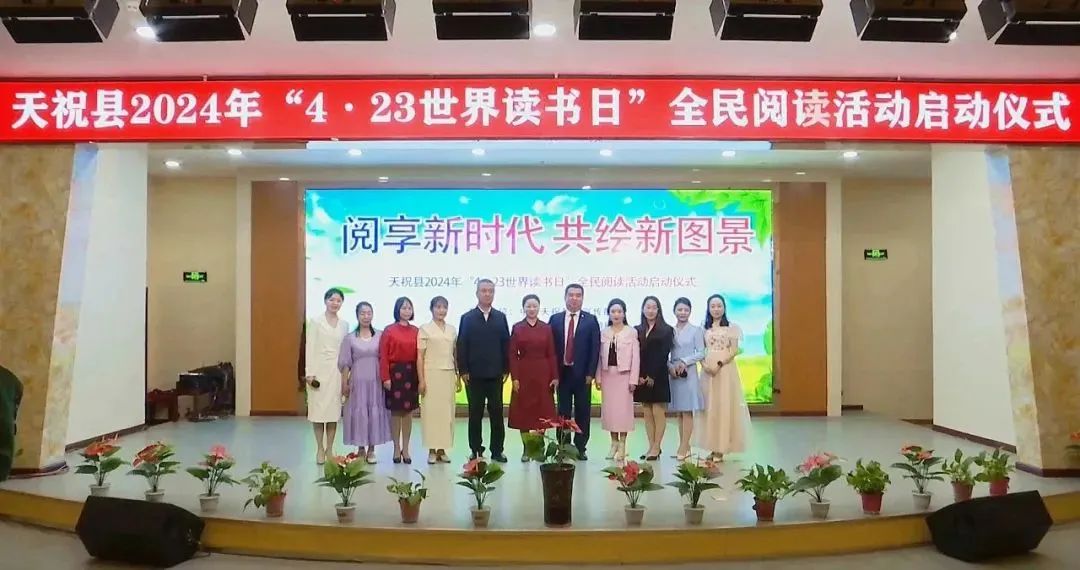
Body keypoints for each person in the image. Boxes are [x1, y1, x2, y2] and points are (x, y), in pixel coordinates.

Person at [455, 279, 511, 463]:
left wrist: (506, 368)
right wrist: (463, 370)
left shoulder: (500, 317)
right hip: (474, 375)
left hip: (495, 374)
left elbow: (506, 344)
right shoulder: (467, 317)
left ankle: (497, 450)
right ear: (477, 293)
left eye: (490, 291)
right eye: (484, 291)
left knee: (497, 413)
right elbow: (462, 344)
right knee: (475, 414)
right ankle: (476, 450)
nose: (487, 294)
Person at [550, 283, 601, 460]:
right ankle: (563, 446)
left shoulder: (591, 320)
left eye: (578, 295)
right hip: (562, 373)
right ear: (565, 297)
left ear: (582, 298)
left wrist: (591, 373)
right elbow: (550, 349)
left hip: (582, 375)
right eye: (571, 295)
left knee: (582, 412)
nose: (574, 298)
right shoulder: (555, 319)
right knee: (562, 412)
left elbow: (595, 348)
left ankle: (580, 447)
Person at [697, 294, 751, 461]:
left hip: (725, 370)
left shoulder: (732, 328)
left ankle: (721, 448)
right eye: (713, 306)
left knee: (724, 406)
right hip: (708, 372)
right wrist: (705, 366)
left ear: (724, 308)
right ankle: (713, 447)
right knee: (710, 407)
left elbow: (734, 350)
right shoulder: (703, 328)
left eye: (719, 306)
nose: (716, 309)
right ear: (708, 308)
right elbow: (699, 350)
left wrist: (719, 364)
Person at [338, 301, 390, 464]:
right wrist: (344, 383)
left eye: (369, 313)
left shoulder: (380, 336)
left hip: (375, 381)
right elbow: (345, 363)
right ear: (357, 316)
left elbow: (385, 359)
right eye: (363, 313)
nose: (366, 316)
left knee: (374, 413)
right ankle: (360, 448)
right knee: (359, 413)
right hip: (357, 382)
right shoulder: (350, 338)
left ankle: (372, 449)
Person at [508, 294, 559, 462]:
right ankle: (526, 448)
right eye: (528, 306)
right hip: (524, 372)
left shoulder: (546, 328)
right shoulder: (517, 327)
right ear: (523, 308)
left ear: (539, 308)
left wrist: (554, 376)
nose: (531, 309)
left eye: (534, 306)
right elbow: (512, 354)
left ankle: (539, 447)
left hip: (543, 373)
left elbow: (551, 353)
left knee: (541, 411)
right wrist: (515, 377)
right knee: (523, 412)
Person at [304, 288, 350, 465]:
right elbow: (310, 347)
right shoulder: (316, 322)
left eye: (338, 300)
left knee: (332, 413)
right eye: (332, 300)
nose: (335, 303)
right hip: (318, 372)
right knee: (318, 413)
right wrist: (309, 373)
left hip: (336, 372)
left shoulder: (344, 324)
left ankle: (329, 448)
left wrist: (346, 374)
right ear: (325, 301)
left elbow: (345, 351)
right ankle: (319, 449)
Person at [596, 299, 639, 463]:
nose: (616, 314)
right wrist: (598, 377)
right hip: (608, 376)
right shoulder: (604, 332)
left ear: (624, 314)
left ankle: (622, 444)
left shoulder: (631, 332)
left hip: (624, 376)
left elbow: (636, 358)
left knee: (623, 412)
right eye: (613, 311)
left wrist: (633, 379)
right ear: (608, 314)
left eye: (619, 311)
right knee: (610, 412)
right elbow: (599, 358)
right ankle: (613, 442)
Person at [418, 296, 458, 464]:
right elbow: (420, 356)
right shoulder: (425, 329)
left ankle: (442, 449)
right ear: (432, 309)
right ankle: (431, 450)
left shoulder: (452, 329)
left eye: (444, 307)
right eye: (438, 307)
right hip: (431, 374)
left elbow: (454, 354)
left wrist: (458, 376)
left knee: (446, 413)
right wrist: (421, 380)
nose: (441, 310)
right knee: (431, 413)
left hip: (448, 374)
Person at [380, 297, 420, 464]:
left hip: (411, 373)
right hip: (394, 373)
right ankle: (396, 447)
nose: (406, 311)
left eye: (409, 308)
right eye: (403, 308)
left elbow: (420, 356)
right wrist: (385, 377)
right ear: (397, 310)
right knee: (396, 413)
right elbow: (383, 356)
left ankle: (406, 449)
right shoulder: (389, 330)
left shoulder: (416, 331)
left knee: (408, 413)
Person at [634, 295, 674, 461]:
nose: (650, 311)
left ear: (658, 310)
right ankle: (651, 446)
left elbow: (663, 354)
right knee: (647, 412)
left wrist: (652, 375)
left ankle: (657, 446)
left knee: (658, 412)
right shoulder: (637, 330)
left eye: (653, 307)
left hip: (658, 376)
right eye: (647, 307)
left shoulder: (666, 330)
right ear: (643, 309)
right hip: (642, 377)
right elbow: (636, 355)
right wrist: (640, 376)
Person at [668, 297, 706, 461]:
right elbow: (666, 353)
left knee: (687, 410)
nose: (682, 313)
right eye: (680, 310)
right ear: (674, 311)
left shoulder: (696, 330)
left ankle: (684, 446)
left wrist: (685, 361)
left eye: (686, 310)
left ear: (690, 312)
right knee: (679, 411)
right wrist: (670, 366)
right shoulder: (670, 331)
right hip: (674, 374)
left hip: (689, 373)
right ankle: (685, 446)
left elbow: (702, 352)